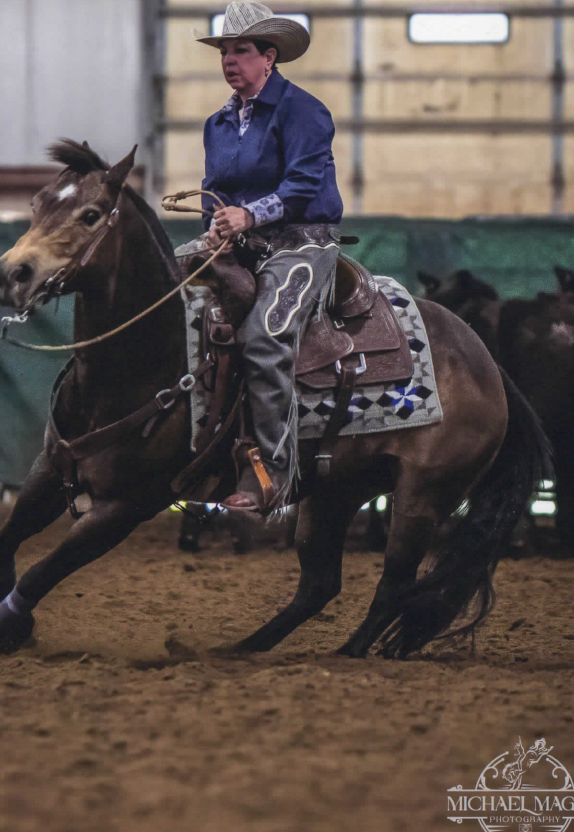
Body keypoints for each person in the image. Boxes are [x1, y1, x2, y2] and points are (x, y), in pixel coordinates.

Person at [197, 0, 345, 514]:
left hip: (303, 243)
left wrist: (249, 216)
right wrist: (213, 228)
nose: (229, 61)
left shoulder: (302, 110)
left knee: (266, 336)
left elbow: (304, 184)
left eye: (240, 51)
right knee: (159, 290)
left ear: (269, 56)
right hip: (243, 243)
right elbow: (212, 192)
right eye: (224, 51)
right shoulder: (217, 124)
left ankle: (276, 477)